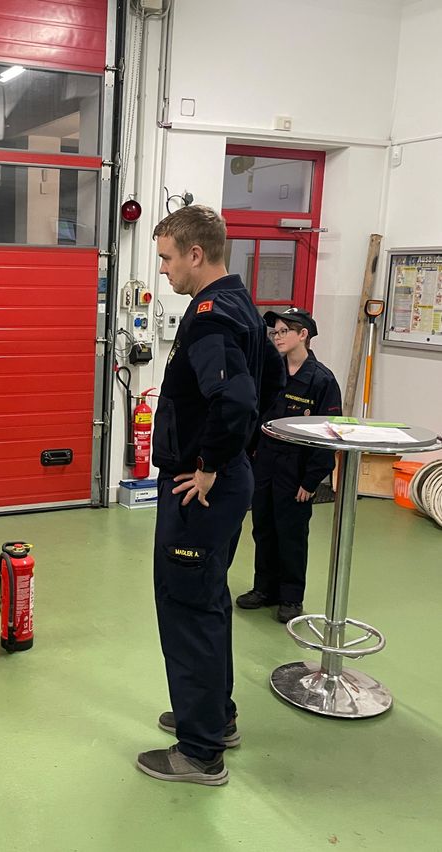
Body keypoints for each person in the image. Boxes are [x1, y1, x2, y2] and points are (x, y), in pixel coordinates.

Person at [137, 205, 284, 786]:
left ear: (196, 254)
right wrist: (235, 457)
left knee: (188, 608)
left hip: (199, 490)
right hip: (225, 481)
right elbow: (272, 379)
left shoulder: (210, 316)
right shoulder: (240, 303)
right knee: (209, 600)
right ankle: (215, 717)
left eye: (167, 258)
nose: (163, 270)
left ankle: (199, 753)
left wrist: (210, 466)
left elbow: (238, 400)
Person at [236, 308, 342, 623]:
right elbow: (255, 417)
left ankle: (291, 598)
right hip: (265, 463)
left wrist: (311, 481)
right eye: (275, 332)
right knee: (263, 528)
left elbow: (328, 435)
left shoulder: (321, 380)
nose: (277, 337)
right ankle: (264, 589)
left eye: (284, 331)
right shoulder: (271, 372)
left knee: (291, 534)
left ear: (303, 335)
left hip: (296, 469)